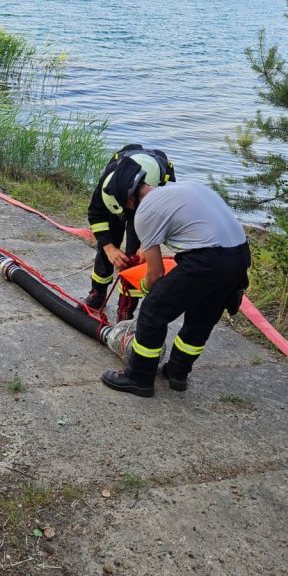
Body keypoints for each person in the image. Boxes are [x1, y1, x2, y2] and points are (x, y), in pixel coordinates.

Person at [100, 155, 250, 398]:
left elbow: (156, 273)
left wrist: (145, 288)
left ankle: (139, 378)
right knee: (202, 316)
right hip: (240, 257)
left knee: (152, 311)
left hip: (207, 260)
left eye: (124, 209)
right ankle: (178, 373)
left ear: (128, 200)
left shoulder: (144, 211)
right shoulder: (183, 188)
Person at [84, 144, 175, 317]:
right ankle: (98, 293)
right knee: (108, 242)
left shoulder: (165, 183)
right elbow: (96, 215)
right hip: (118, 201)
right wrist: (109, 247)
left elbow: (165, 219)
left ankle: (126, 308)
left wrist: (147, 245)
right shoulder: (109, 182)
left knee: (136, 257)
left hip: (147, 208)